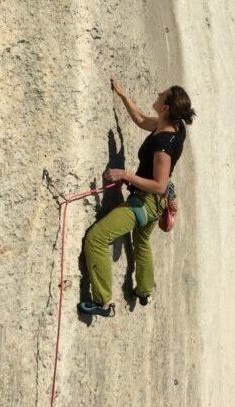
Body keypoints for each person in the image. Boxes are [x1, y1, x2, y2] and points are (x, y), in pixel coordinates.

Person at [78, 79, 195, 317]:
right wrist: (123, 96)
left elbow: (159, 185)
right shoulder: (174, 126)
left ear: (165, 107)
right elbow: (141, 119)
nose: (159, 92)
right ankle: (144, 291)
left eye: (163, 94)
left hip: (146, 202)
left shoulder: (163, 144)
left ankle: (102, 302)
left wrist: (126, 175)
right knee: (141, 241)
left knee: (96, 238)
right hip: (157, 203)